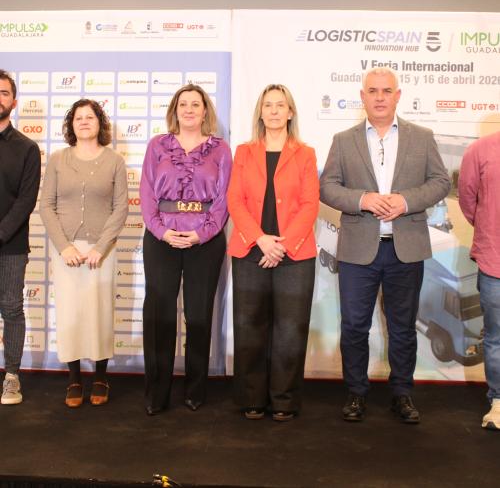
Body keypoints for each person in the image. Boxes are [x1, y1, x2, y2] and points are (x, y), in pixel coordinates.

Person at [320, 67, 450, 424]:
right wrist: (362, 199)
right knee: (354, 326)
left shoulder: (421, 137)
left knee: (403, 328)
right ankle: (356, 392)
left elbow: (440, 181)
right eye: (373, 91)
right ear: (363, 97)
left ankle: (402, 393)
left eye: (386, 91)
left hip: (405, 248)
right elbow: (327, 187)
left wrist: (405, 201)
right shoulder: (343, 140)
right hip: (358, 250)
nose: (380, 97)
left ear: (398, 95)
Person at [227, 84, 319, 421]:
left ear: (290, 112)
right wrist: (260, 239)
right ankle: (251, 397)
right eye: (268, 105)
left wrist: (282, 245)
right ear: (261, 113)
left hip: (294, 254)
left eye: (281, 105)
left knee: (290, 329)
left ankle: (284, 400)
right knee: (249, 325)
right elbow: (235, 200)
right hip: (250, 250)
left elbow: (310, 204)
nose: (275, 111)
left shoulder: (305, 153)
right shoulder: (244, 152)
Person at [140, 84, 232, 416]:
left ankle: (195, 390)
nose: (189, 109)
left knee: (199, 315)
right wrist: (162, 231)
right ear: (175, 110)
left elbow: (224, 199)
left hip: (204, 242)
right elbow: (147, 194)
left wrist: (200, 234)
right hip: (161, 238)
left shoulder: (221, 150)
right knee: (159, 315)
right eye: (183, 104)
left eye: (196, 104)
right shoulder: (157, 145)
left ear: (205, 111)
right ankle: (157, 393)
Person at [40, 99, 128, 408]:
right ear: (71, 125)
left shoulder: (114, 161)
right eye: (78, 118)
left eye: (90, 117)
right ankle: (74, 378)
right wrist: (64, 246)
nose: (84, 121)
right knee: (70, 313)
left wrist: (101, 247)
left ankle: (101, 376)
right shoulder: (57, 160)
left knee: (100, 312)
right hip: (65, 251)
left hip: (102, 251)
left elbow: (121, 208)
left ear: (99, 123)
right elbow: (46, 206)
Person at [0, 70, 41, 405]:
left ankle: (12, 376)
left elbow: (26, 200)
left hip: (11, 245)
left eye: (4, 93)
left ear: (14, 102)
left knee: (12, 308)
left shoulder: (27, 148)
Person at [458, 130, 500, 430]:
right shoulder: (480, 150)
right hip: (495, 261)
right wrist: (489, 228)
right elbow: (468, 200)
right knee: (496, 337)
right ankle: (498, 401)